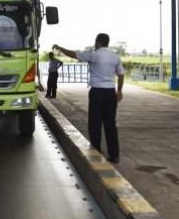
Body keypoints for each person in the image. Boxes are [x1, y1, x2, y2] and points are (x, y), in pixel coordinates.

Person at [53, 33, 125, 163]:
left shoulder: (94, 54)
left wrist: (60, 48)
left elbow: (73, 54)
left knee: (95, 123)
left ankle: (96, 152)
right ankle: (114, 155)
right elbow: (121, 75)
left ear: (98, 42)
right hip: (110, 93)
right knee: (110, 124)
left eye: (95, 41)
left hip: (97, 92)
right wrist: (119, 91)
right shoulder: (115, 56)